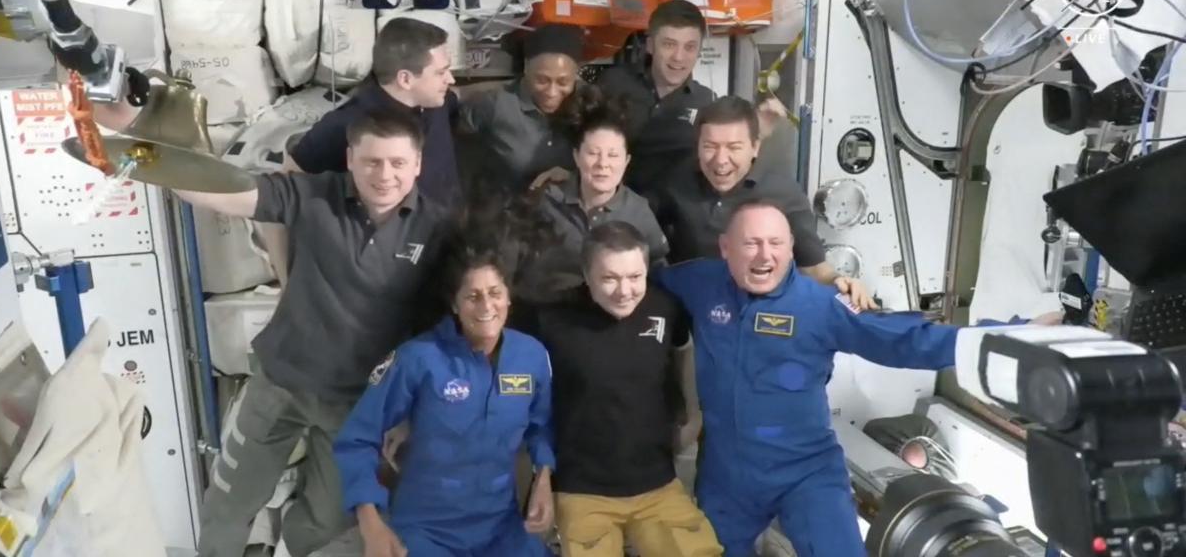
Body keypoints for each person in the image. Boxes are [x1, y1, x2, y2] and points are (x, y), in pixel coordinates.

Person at [166, 110, 449, 557]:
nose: (385, 175)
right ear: (351, 159)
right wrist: (147, 160)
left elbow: (437, 330)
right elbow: (229, 193)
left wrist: (409, 410)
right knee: (229, 505)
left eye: (398, 163)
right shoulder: (316, 195)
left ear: (418, 164)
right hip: (280, 382)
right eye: (372, 162)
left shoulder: (437, 231)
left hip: (357, 406)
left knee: (323, 522)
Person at [654, 199, 964, 557]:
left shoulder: (822, 306)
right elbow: (635, 283)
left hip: (806, 473)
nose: (763, 256)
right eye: (750, 243)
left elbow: (907, 340)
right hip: (727, 474)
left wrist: (1003, 340)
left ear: (790, 251)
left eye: (775, 244)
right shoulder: (700, 283)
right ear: (726, 248)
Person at [333, 205, 558, 557]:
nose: (486, 305)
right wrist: (371, 523)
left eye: (495, 293)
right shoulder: (417, 358)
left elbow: (542, 425)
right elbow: (357, 438)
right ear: (454, 305)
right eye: (472, 296)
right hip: (427, 530)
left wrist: (544, 477)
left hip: (501, 527)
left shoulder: (531, 357)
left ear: (509, 297)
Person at [530, 222, 721, 556]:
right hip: (583, 491)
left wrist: (693, 414)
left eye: (635, 277)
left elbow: (683, 350)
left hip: (658, 485)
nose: (624, 291)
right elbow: (528, 401)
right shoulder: (550, 319)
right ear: (586, 275)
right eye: (609, 278)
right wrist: (540, 477)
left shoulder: (665, 307)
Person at [656, 95, 876, 310]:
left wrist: (840, 281)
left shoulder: (784, 193)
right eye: (710, 146)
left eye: (734, 147)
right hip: (692, 315)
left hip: (760, 318)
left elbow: (815, 268)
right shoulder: (675, 182)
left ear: (755, 147)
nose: (720, 160)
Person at [596, 0, 787, 196]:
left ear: (699, 51)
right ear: (651, 45)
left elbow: (724, 168)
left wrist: (756, 133)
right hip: (610, 210)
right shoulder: (611, 85)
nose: (679, 57)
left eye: (689, 47)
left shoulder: (707, 104)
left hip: (674, 220)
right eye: (669, 44)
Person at [291, 17, 461, 206]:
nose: (451, 79)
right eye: (440, 72)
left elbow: (461, 96)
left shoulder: (437, 100)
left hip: (454, 227)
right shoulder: (345, 124)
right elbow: (283, 185)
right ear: (405, 79)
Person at [524, 87, 668, 301]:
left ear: (626, 161)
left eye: (613, 155)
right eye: (593, 153)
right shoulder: (548, 201)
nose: (603, 164)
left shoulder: (638, 211)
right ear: (576, 156)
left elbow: (658, 269)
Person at [458, 24, 586, 192]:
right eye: (542, 80)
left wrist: (574, 177)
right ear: (526, 67)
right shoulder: (496, 104)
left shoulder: (589, 105)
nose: (552, 92)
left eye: (563, 82)